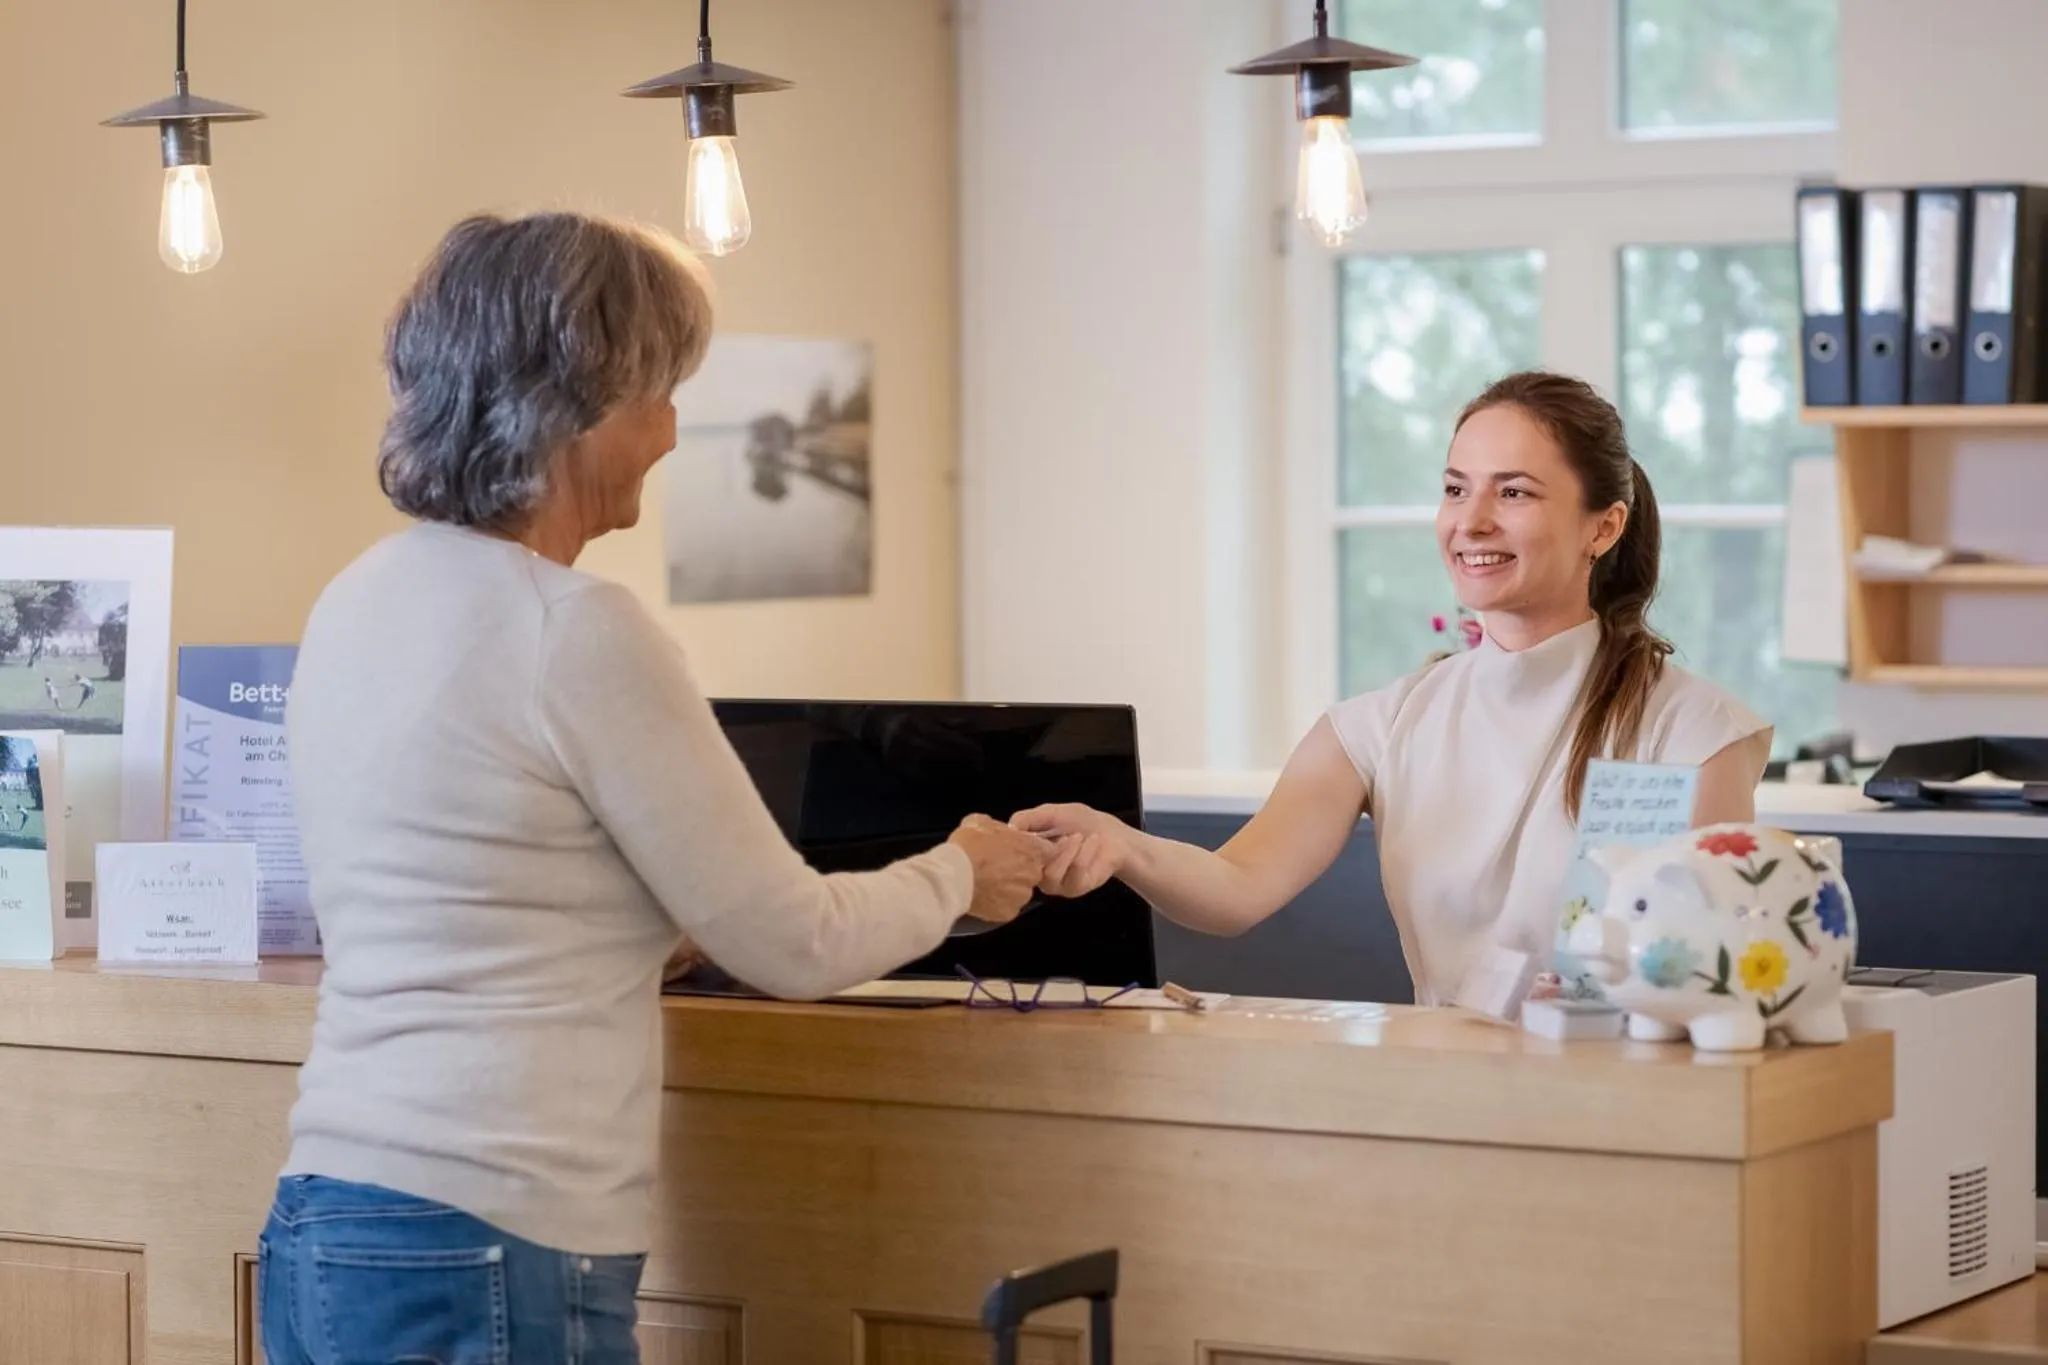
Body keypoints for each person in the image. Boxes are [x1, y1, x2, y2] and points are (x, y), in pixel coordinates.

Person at [257, 211, 1053, 1365]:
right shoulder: (576, 628)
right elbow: (795, 944)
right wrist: (959, 875)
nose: (672, 431)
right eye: (658, 394)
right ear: (574, 405)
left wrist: (639, 935)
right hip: (492, 1238)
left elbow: (466, 897)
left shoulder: (355, 598)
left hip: (326, 1220)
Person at [1012, 369, 1772, 1008]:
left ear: (1602, 528)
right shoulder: (1380, 725)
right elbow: (1237, 887)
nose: (1472, 521)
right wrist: (1121, 844)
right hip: (1433, 1101)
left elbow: (1717, 970)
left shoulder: (1693, 730)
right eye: (1455, 489)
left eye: (1514, 493)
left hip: (1631, 1111)